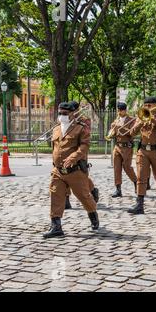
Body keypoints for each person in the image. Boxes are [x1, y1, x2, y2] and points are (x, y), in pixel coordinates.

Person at [43, 102, 99, 238]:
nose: (62, 116)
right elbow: (55, 148)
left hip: (75, 170)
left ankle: (93, 214)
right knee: (55, 195)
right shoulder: (56, 129)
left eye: (65, 114)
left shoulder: (80, 128)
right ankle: (56, 226)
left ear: (73, 113)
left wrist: (74, 157)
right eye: (60, 113)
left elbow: (84, 146)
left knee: (84, 196)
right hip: (58, 170)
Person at [127, 96, 156, 214]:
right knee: (141, 176)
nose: (147, 107)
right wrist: (140, 122)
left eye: (149, 105)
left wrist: (152, 119)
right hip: (143, 151)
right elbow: (132, 133)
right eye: (145, 105)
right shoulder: (140, 116)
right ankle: (139, 204)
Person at [64, 101, 99, 209]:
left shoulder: (84, 120)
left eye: (73, 110)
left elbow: (86, 134)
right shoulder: (65, 119)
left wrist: (76, 121)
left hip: (79, 151)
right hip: (66, 150)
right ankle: (66, 199)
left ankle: (92, 189)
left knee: (81, 175)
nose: (71, 112)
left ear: (77, 110)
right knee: (64, 174)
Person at [110, 102, 137, 198]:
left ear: (125, 110)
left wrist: (120, 128)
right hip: (117, 146)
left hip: (127, 147)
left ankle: (136, 182)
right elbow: (113, 132)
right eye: (118, 110)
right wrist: (112, 130)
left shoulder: (132, 120)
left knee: (127, 167)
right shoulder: (117, 120)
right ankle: (118, 189)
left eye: (121, 110)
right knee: (116, 168)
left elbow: (132, 133)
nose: (119, 112)